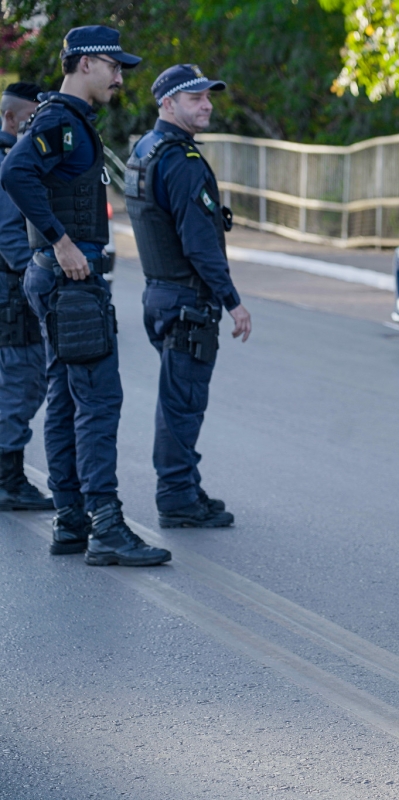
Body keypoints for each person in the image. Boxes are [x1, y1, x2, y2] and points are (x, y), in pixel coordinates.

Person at [0, 26, 170, 566]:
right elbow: (14, 172)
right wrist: (62, 240)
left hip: (59, 280)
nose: (120, 77)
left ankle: (72, 520)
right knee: (97, 401)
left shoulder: (69, 120)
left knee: (67, 398)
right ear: (86, 63)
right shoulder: (58, 120)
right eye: (114, 67)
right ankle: (106, 526)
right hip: (70, 281)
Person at [125, 64, 250, 529]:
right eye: (195, 98)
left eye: (208, 97)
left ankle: (185, 486)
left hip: (160, 293)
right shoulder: (181, 161)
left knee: (178, 398)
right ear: (168, 103)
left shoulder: (146, 148)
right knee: (182, 405)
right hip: (185, 302)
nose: (207, 105)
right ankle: (177, 498)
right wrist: (232, 301)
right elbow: (199, 244)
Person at [0, 82, 54, 512]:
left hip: (11, 289)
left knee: (21, 380)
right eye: (32, 118)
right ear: (10, 118)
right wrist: (36, 275)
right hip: (13, 291)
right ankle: (7, 480)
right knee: (22, 382)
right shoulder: (8, 161)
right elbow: (9, 234)